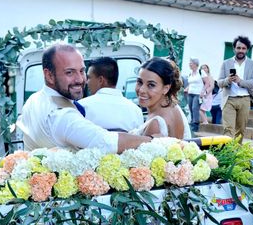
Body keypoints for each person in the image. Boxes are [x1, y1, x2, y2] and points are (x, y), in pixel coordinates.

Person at [16, 44, 151, 152]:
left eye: (81, 71)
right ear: (49, 75)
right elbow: (107, 143)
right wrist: (152, 140)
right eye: (70, 72)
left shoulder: (33, 100)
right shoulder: (62, 116)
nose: (80, 79)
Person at [130, 57, 191, 139]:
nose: (141, 90)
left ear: (166, 88)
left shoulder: (156, 123)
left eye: (151, 85)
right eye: (140, 82)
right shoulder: (172, 106)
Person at [78, 56, 143, 132]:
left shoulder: (82, 107)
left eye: (89, 78)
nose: (86, 82)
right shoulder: (135, 111)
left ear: (100, 80)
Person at [217, 36, 253, 141]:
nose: (241, 50)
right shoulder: (226, 63)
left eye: (243, 48)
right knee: (228, 130)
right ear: (234, 49)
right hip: (229, 99)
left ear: (247, 50)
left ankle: (235, 154)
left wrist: (240, 81)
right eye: (238, 48)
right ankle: (227, 154)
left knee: (240, 131)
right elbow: (219, 82)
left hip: (245, 99)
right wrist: (228, 80)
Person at [184, 58, 205, 133]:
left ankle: (195, 125)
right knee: (190, 108)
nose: (189, 64)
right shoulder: (190, 73)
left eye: (191, 63)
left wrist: (203, 91)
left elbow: (207, 82)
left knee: (194, 108)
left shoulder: (201, 72)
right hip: (190, 93)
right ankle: (193, 123)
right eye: (189, 63)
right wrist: (186, 88)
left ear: (195, 64)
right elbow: (191, 84)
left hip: (198, 93)